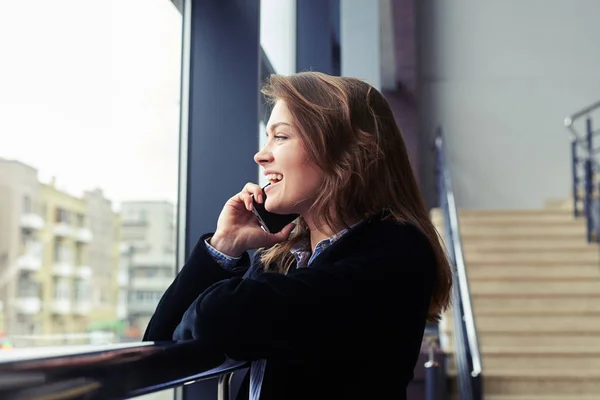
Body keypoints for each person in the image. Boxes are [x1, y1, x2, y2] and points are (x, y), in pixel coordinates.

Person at [143, 72, 452, 400]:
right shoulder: (284, 258)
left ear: (344, 150)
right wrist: (225, 244)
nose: (261, 156)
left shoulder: (397, 252)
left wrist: (213, 308)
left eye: (281, 137)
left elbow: (219, 316)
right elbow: (158, 346)